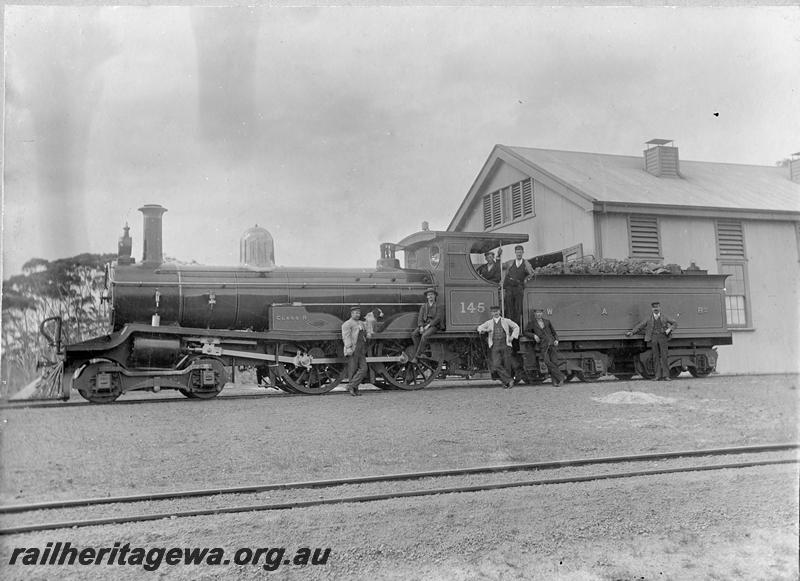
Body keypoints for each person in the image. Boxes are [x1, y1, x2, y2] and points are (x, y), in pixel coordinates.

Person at [626, 301, 678, 381]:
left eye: (657, 307)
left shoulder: (665, 317)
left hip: (663, 337)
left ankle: (666, 376)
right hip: (653, 338)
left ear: (659, 308)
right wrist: (632, 332)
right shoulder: (648, 318)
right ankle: (657, 376)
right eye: (654, 308)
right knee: (655, 357)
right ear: (652, 309)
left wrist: (669, 329)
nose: (656, 309)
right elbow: (640, 326)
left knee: (664, 357)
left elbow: (675, 323)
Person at [477, 305, 520, 389]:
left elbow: (516, 327)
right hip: (495, 345)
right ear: (491, 313)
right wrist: (486, 330)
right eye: (493, 312)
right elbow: (479, 328)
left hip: (505, 344)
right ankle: (509, 380)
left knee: (507, 364)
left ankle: (506, 383)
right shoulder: (489, 322)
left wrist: (513, 337)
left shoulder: (506, 321)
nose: (495, 313)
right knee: (496, 364)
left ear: (499, 312)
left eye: (496, 311)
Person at [523, 308, 566, 387]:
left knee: (554, 362)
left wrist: (557, 340)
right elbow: (525, 332)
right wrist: (534, 335)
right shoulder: (532, 323)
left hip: (552, 344)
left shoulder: (547, 322)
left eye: (540, 313)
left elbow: (554, 332)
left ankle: (555, 382)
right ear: (534, 314)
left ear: (542, 314)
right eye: (537, 313)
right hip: (543, 345)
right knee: (547, 362)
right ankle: (561, 377)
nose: (538, 314)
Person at [501, 245, 534, 325]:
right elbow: (500, 266)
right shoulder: (510, 262)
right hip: (509, 287)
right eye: (517, 252)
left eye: (520, 252)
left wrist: (526, 280)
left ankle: (517, 328)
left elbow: (532, 274)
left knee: (518, 308)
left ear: (523, 252)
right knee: (509, 307)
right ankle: (509, 326)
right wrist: (499, 256)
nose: (519, 254)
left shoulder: (526, 263)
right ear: (515, 253)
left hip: (519, 288)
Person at [411, 288, 445, 363]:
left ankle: (417, 356)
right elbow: (420, 317)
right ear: (426, 297)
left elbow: (438, 318)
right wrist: (421, 326)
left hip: (434, 326)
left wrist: (428, 325)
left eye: (432, 295)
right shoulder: (424, 306)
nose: (430, 296)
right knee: (414, 334)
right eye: (429, 295)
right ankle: (420, 351)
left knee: (424, 335)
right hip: (425, 324)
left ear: (435, 296)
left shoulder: (439, 306)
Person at [341, 305, 369, 396]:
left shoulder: (361, 323)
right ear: (351, 314)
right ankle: (354, 389)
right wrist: (348, 347)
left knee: (364, 369)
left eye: (359, 313)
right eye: (356, 313)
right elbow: (346, 337)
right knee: (352, 370)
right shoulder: (347, 324)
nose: (357, 315)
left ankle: (351, 386)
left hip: (361, 349)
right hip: (353, 349)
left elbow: (366, 330)